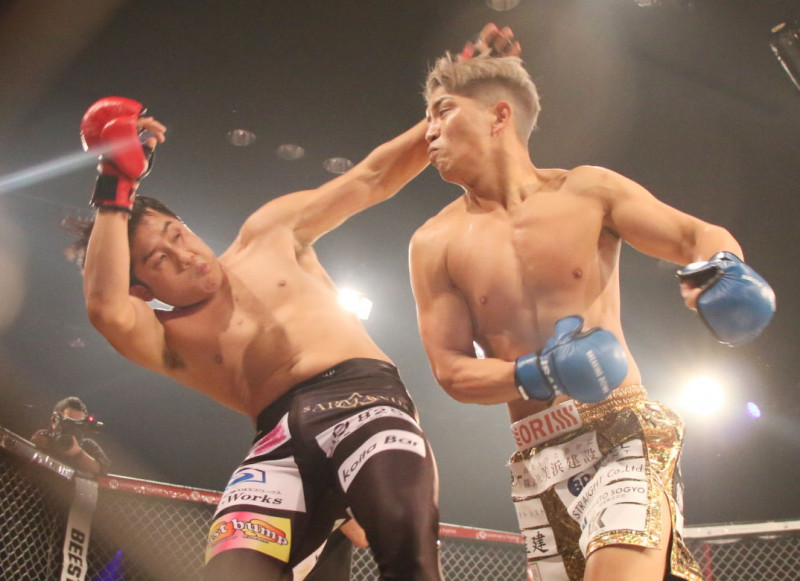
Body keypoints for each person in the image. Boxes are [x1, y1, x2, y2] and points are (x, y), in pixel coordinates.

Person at [65, 25, 520, 581]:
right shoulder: (169, 336)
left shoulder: (269, 233)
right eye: (159, 259)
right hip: (277, 448)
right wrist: (115, 187)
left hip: (366, 403)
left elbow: (372, 178)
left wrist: (453, 97)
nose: (183, 255)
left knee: (407, 551)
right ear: (142, 287)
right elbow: (105, 309)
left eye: (176, 234)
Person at [409, 52, 775, 581]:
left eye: (442, 111)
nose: (429, 131)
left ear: (499, 115)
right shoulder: (433, 242)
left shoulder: (587, 191)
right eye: (427, 118)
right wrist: (538, 372)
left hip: (622, 431)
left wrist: (721, 270)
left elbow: (694, 235)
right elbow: (451, 371)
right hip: (537, 459)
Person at [31, 396, 111, 474]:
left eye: (79, 425)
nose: (73, 429)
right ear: (54, 420)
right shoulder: (45, 437)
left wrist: (77, 453)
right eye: (68, 423)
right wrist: (33, 447)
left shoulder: (87, 445)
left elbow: (103, 469)